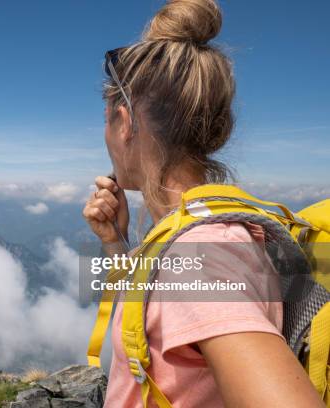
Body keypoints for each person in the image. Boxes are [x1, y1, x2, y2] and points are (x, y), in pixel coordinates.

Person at [82, 0, 325, 406]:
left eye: (106, 119)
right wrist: (115, 243)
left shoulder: (206, 254)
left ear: (124, 122)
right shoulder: (201, 232)